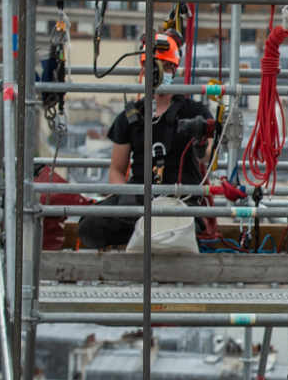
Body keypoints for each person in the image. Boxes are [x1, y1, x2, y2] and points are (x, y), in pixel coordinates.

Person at [79, 32, 217, 250]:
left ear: (175, 69)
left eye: (166, 66)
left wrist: (200, 140)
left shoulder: (195, 112)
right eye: (155, 66)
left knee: (173, 229)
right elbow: (116, 169)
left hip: (180, 199)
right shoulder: (132, 117)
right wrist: (126, 201)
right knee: (90, 225)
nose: (161, 72)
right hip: (138, 199)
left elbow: (206, 156)